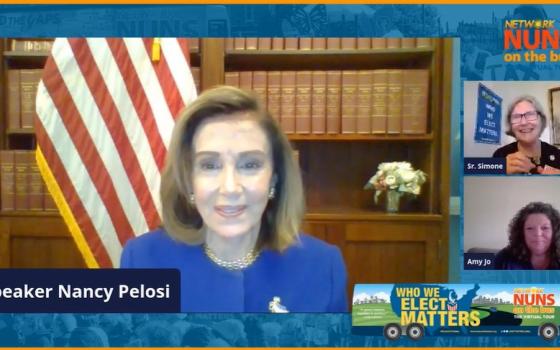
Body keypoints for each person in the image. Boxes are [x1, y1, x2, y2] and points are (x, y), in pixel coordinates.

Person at [121, 86, 348, 312]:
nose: (230, 188)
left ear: (274, 179)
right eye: (209, 165)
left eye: (250, 165)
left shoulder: (324, 265)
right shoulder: (141, 260)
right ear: (189, 181)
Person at [492, 95, 560, 174]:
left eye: (530, 114)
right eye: (516, 117)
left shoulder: (557, 155)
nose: (523, 122)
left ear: (542, 120)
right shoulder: (500, 155)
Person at [494, 202, 560, 269]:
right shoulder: (504, 259)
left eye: (545, 228)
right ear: (522, 233)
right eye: (530, 228)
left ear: (555, 232)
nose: (538, 234)